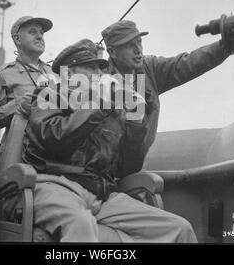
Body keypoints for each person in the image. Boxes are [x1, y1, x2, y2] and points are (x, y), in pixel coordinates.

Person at [21, 39, 197, 243]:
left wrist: (136, 123)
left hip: (100, 193)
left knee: (179, 228)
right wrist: (100, 102)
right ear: (69, 73)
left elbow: (127, 168)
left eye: (101, 69)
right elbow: (53, 138)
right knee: (81, 225)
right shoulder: (50, 94)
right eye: (91, 67)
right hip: (55, 185)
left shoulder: (106, 108)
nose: (99, 74)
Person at [101, 20, 231, 159]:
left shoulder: (149, 69)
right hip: (101, 168)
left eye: (139, 42)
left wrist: (226, 46)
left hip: (131, 165)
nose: (138, 49)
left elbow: (188, 64)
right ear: (112, 52)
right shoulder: (100, 81)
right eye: (129, 45)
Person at [0, 16, 54, 131]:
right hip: (19, 146)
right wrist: (17, 105)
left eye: (41, 33)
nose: (39, 36)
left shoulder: (54, 73)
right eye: (32, 32)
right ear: (17, 39)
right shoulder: (2, 74)